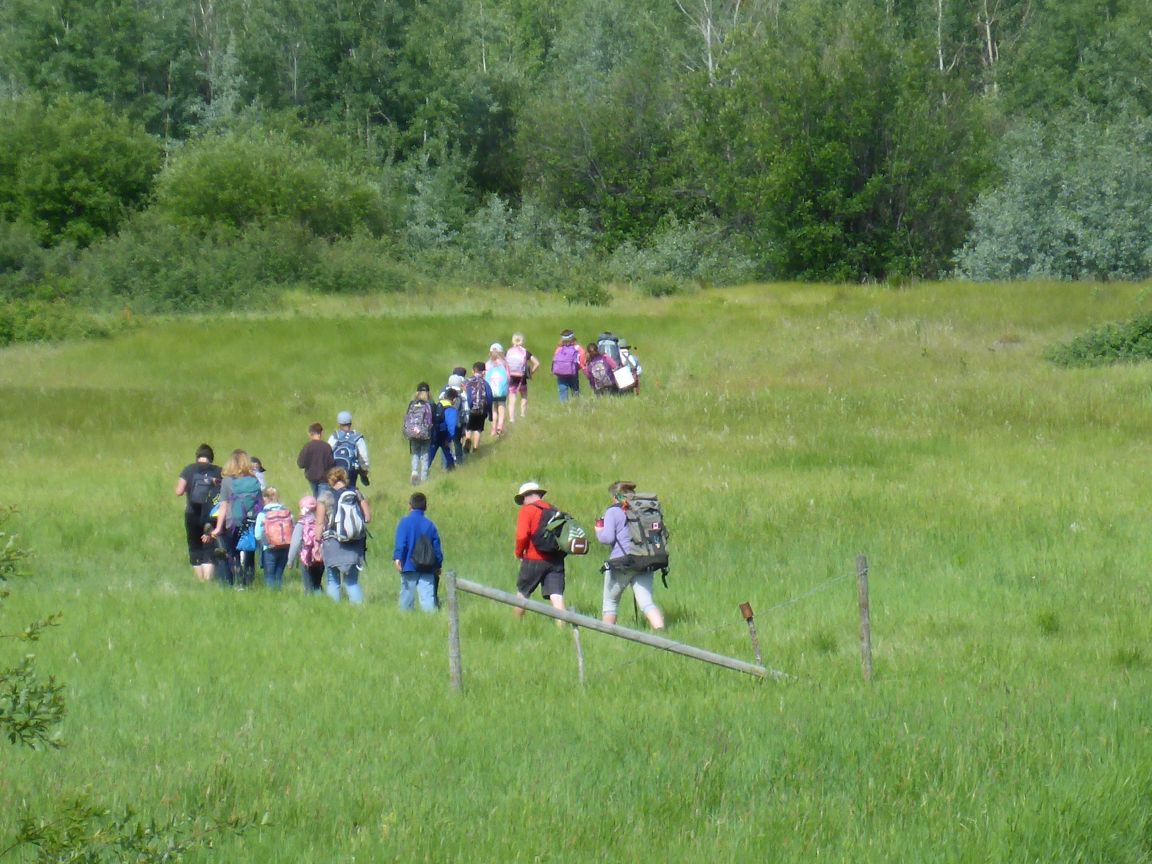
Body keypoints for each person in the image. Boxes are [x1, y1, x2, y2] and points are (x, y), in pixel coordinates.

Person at [596, 481, 665, 630]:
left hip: (622, 562)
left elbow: (607, 538)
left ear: (616, 496)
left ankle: (606, 635)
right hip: (645, 559)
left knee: (610, 603)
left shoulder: (613, 511)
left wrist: (598, 530)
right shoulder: (643, 509)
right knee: (646, 602)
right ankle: (662, 632)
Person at [315, 467, 371, 603]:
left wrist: (317, 542)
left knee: (333, 581)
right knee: (352, 582)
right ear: (345, 478)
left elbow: (319, 522)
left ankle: (334, 611)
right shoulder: (356, 493)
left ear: (330, 479)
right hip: (354, 543)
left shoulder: (325, 496)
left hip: (333, 542)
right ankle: (359, 610)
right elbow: (368, 518)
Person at [513, 481, 567, 619]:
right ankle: (562, 628)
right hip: (555, 560)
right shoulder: (555, 510)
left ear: (525, 496)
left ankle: (516, 623)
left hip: (533, 559)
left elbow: (522, 536)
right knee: (556, 596)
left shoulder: (526, 510)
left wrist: (519, 553)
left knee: (522, 593)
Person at [210, 449, 263, 589]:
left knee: (232, 553)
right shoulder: (254, 480)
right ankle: (248, 582)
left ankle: (235, 581)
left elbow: (223, 506)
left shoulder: (227, 481)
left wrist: (218, 527)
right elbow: (260, 503)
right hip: (251, 522)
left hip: (232, 522)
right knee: (249, 551)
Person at [174, 443, 221, 583]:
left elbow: (178, 491)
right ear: (211, 457)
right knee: (210, 545)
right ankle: (208, 579)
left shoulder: (188, 470)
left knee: (194, 545)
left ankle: (201, 581)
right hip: (211, 515)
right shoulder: (218, 471)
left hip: (191, 513)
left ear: (197, 456)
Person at [392, 492, 444, 613]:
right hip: (427, 567)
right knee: (428, 599)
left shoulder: (404, 522)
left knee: (406, 598)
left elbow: (401, 543)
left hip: (409, 565)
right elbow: (436, 548)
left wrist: (398, 558)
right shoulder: (431, 525)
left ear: (410, 506)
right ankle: (430, 623)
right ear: (425, 507)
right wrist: (438, 565)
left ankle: (405, 622)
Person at [254, 487, 293, 590]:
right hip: (285, 546)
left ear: (265, 498)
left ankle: (271, 596)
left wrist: (265, 543)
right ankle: (279, 595)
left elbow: (257, 535)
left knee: (269, 576)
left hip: (269, 548)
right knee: (279, 575)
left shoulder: (263, 514)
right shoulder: (287, 512)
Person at [287, 495, 325, 595]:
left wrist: (290, 561)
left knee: (308, 586)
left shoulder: (301, 524)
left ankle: (310, 603)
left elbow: (295, 544)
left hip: (306, 558)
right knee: (317, 583)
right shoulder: (321, 522)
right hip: (320, 557)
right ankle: (322, 601)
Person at [329, 411, 370, 488]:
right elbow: (363, 457)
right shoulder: (357, 438)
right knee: (351, 489)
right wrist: (364, 470)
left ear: (339, 424)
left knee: (335, 490)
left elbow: (328, 451)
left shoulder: (334, 436)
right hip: (351, 470)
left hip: (335, 469)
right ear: (350, 423)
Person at [404, 383, 435, 485]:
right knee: (425, 455)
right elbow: (433, 420)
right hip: (425, 434)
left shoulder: (412, 403)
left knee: (415, 453)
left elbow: (407, 417)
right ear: (428, 392)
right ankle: (424, 478)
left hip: (412, 433)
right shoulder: (430, 404)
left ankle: (414, 471)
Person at [505, 332, 541, 422]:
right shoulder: (525, 352)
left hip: (511, 377)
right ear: (522, 341)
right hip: (522, 377)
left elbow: (503, 364)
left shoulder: (509, 351)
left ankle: (511, 418)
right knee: (524, 396)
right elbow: (537, 363)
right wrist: (531, 372)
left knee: (512, 398)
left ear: (512, 341)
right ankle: (522, 414)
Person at [297, 422, 335, 498]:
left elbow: (300, 464)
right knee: (323, 501)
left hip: (312, 478)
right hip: (325, 479)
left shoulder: (307, 447)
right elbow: (331, 464)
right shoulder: (326, 447)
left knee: (315, 497)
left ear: (310, 433)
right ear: (321, 433)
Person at [463, 362, 494, 454]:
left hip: (470, 409)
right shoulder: (485, 383)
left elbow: (465, 395)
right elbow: (489, 397)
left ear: (473, 371)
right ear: (483, 372)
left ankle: (468, 439)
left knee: (468, 427)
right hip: (482, 410)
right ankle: (475, 449)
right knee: (478, 429)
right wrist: (490, 413)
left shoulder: (467, 381)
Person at [427, 387, 459, 475]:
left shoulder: (437, 406)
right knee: (448, 454)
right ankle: (452, 471)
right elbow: (451, 427)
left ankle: (423, 473)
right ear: (454, 399)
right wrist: (448, 439)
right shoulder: (451, 410)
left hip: (434, 434)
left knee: (430, 456)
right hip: (444, 435)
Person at [485, 343, 510, 437]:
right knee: (501, 407)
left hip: (492, 390)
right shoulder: (504, 363)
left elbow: (485, 377)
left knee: (494, 409)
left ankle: (493, 429)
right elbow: (508, 377)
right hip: (502, 390)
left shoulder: (487, 364)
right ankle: (500, 427)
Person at [551, 330, 583, 402]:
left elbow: (555, 360)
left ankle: (564, 406)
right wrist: (577, 368)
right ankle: (577, 404)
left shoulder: (559, 349)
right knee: (575, 390)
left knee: (562, 391)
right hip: (573, 373)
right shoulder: (577, 348)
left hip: (561, 374)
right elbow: (582, 360)